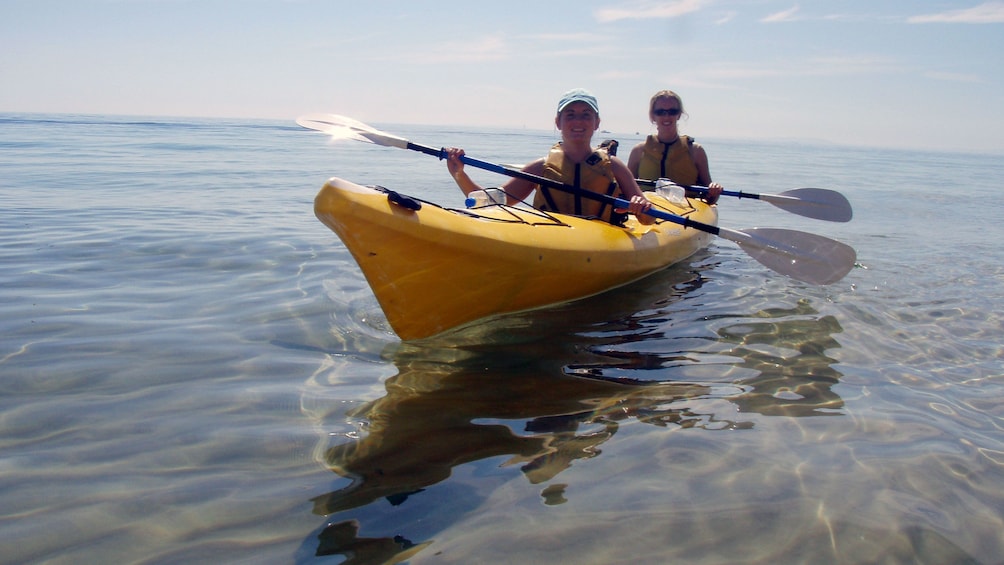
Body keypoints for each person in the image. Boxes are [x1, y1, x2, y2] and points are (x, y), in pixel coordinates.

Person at [445, 88, 655, 225]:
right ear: (558, 122)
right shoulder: (541, 167)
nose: (578, 121)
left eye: (586, 115)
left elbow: (647, 220)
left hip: (602, 241)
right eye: (570, 115)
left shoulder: (614, 166)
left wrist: (640, 206)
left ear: (597, 123)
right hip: (555, 239)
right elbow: (491, 202)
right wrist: (459, 175)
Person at [627, 90, 723, 204]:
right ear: (653, 116)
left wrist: (714, 190)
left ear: (679, 115)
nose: (666, 116)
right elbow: (626, 189)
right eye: (660, 112)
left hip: (684, 212)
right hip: (647, 211)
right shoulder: (638, 151)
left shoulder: (695, 151)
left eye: (672, 111)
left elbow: (711, 199)